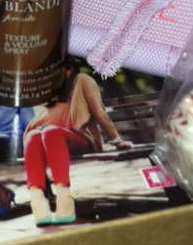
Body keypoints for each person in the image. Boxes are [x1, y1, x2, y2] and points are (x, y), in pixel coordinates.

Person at [22, 61, 132, 226]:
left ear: (69, 69)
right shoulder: (52, 87)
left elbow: (99, 111)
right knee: (33, 135)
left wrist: (116, 139)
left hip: (81, 139)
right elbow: (45, 116)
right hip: (52, 140)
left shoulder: (82, 80)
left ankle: (64, 199)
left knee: (51, 132)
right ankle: (38, 203)